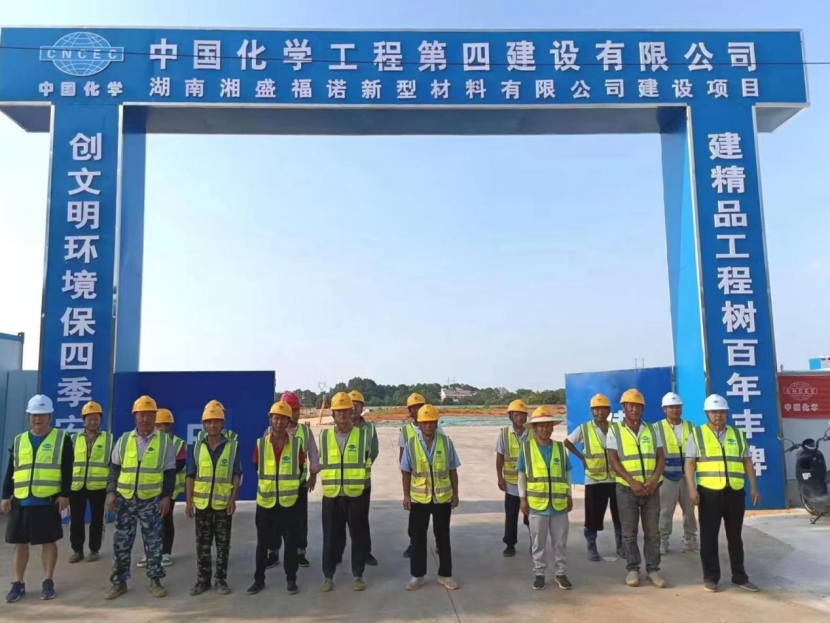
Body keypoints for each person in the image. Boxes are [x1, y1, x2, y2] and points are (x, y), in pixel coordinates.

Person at [685, 394, 761, 593]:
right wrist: (692, 489)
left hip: (734, 491)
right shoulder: (697, 434)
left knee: (735, 536)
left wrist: (753, 487)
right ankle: (711, 577)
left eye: (721, 412)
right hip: (708, 493)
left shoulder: (737, 434)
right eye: (714, 412)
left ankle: (740, 576)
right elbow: (690, 464)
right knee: (709, 536)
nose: (718, 415)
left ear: (726, 413)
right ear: (706, 414)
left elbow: (747, 462)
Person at [1, 395, 72, 602]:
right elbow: (11, 470)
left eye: (42, 415)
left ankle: (48, 581)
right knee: (20, 543)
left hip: (48, 500)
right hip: (22, 499)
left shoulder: (62, 438)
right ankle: (18, 583)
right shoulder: (19, 440)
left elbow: (68, 469)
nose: (37, 419)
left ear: (50, 416)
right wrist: (5, 496)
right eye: (33, 415)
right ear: (28, 417)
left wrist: (65, 494)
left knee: (48, 542)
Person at [105, 395, 176, 600]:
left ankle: (155, 581)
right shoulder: (124, 439)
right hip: (125, 500)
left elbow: (170, 472)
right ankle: (119, 583)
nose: (145, 419)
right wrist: (111, 492)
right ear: (135, 416)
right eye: (141, 415)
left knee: (154, 542)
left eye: (149, 415)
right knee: (121, 543)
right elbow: (114, 468)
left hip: (151, 500)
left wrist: (166, 497)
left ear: (155, 417)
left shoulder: (164, 441)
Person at [607, 389, 667, 589]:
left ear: (643, 409)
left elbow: (661, 458)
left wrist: (654, 479)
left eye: (638, 406)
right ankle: (633, 569)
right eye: (630, 405)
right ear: (624, 407)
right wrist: (631, 481)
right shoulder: (615, 431)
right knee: (629, 532)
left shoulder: (652, 430)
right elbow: (613, 460)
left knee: (653, 532)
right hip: (627, 489)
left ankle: (653, 570)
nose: (634, 409)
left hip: (651, 489)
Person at [248, 400, 307, 595]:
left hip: (289, 504)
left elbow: (300, 470)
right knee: (262, 544)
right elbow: (257, 468)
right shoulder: (260, 444)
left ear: (288, 421)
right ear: (270, 420)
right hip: (266, 503)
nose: (279, 422)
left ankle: (291, 580)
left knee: (291, 543)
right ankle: (258, 579)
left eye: (283, 419)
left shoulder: (296, 445)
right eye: (276, 418)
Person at [401, 404, 460, 591]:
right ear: (418, 424)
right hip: (419, 499)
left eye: (431, 422)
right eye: (425, 423)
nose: (428, 426)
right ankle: (417, 576)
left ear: (436, 423)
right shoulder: (411, 444)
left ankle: (445, 575)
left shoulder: (446, 442)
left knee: (443, 538)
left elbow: (453, 470)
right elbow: (406, 471)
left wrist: (456, 493)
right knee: (418, 539)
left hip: (442, 498)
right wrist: (406, 495)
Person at [185, 402, 241, 596]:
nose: (213, 425)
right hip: (202, 505)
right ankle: (203, 580)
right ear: (203, 424)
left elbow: (236, 474)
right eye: (209, 422)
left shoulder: (231, 446)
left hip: (223, 504)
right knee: (202, 544)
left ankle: (220, 580)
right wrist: (188, 501)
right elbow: (190, 475)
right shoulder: (197, 446)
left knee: (223, 544)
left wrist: (233, 499)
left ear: (223, 423)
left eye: (217, 421)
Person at [319, 392, 370, 592]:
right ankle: (328, 576)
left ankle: (358, 575)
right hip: (331, 495)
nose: (342, 414)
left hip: (355, 494)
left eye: (345, 410)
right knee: (330, 538)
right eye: (338, 411)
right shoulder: (324, 436)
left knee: (358, 536)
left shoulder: (362, 435)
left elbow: (367, 461)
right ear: (333, 414)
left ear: (351, 412)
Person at [519, 406, 573, 591]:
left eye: (548, 425)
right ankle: (539, 573)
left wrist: (569, 495)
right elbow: (521, 475)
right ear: (535, 428)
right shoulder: (526, 449)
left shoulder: (559, 448)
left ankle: (561, 573)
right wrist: (522, 498)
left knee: (560, 542)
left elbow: (567, 473)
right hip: (537, 504)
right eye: (541, 426)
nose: (544, 429)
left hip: (559, 504)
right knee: (538, 542)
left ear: (552, 427)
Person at [564, 393, 623, 561]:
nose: (599, 412)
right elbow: (567, 442)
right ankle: (592, 546)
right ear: (591, 411)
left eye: (603, 409)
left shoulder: (617, 428)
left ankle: (621, 546)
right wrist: (581, 457)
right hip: (594, 479)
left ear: (609, 410)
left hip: (616, 478)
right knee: (593, 516)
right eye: (596, 409)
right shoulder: (584, 429)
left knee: (620, 515)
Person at [265, 391, 318, 570]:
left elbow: (314, 454)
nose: (295, 413)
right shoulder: (269, 432)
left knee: (299, 521)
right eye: (292, 410)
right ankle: (273, 553)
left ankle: (299, 552)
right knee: (274, 522)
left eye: (296, 410)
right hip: (276, 487)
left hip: (298, 486)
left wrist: (313, 476)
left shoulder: (304, 431)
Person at [398, 392, 444, 558]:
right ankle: (414, 544)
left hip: (437, 485)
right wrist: (407, 489)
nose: (417, 410)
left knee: (439, 520)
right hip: (417, 485)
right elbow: (403, 459)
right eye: (414, 407)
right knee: (416, 522)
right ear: (409, 411)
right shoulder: (406, 431)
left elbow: (443, 451)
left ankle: (440, 544)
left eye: (420, 406)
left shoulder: (438, 428)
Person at [68, 400, 113, 564]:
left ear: (100, 420)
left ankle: (94, 550)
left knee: (97, 519)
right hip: (77, 486)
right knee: (76, 519)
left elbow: (113, 464)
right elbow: (67, 463)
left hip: (99, 486)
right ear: (83, 420)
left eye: (96, 419)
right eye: (89, 419)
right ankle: (77, 550)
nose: (93, 422)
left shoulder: (109, 439)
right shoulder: (73, 439)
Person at [143, 408, 187, 568]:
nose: (157, 428)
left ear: (168, 426)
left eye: (160, 425)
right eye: (155, 425)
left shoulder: (177, 443)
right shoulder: (147, 441)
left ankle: (166, 552)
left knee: (165, 520)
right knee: (149, 521)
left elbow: (178, 464)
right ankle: (150, 552)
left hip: (169, 490)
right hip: (149, 488)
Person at [657, 392, 698, 555]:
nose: (675, 410)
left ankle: (690, 540)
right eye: (671, 407)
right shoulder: (657, 428)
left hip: (686, 476)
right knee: (665, 510)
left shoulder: (691, 427)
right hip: (666, 476)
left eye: (677, 407)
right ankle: (662, 540)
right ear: (664, 409)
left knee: (690, 510)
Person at [495, 399, 531, 557]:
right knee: (511, 515)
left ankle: (534, 542)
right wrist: (500, 478)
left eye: (522, 415)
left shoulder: (532, 433)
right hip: (511, 483)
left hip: (530, 483)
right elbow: (500, 457)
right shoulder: (504, 434)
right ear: (510, 416)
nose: (520, 418)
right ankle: (510, 544)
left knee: (531, 514)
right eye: (516, 415)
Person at [349, 389, 379, 566]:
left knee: (361, 519)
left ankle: (365, 552)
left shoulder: (369, 429)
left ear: (362, 408)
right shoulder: (339, 428)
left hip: (362, 482)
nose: (353, 408)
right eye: (350, 405)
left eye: (357, 405)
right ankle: (336, 553)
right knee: (338, 522)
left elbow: (373, 452)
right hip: (340, 483)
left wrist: (360, 470)